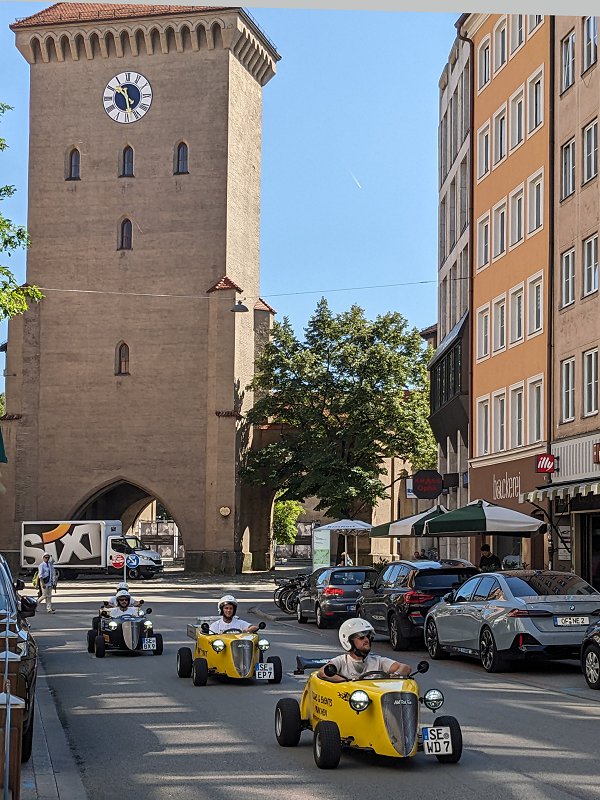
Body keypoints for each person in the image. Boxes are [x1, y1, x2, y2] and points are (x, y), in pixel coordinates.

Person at [318, 618, 412, 683]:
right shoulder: (341, 661)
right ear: (348, 641)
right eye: (361, 637)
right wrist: (346, 682)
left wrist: (395, 675)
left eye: (368, 636)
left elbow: (405, 667)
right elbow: (323, 672)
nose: (366, 640)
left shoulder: (378, 661)